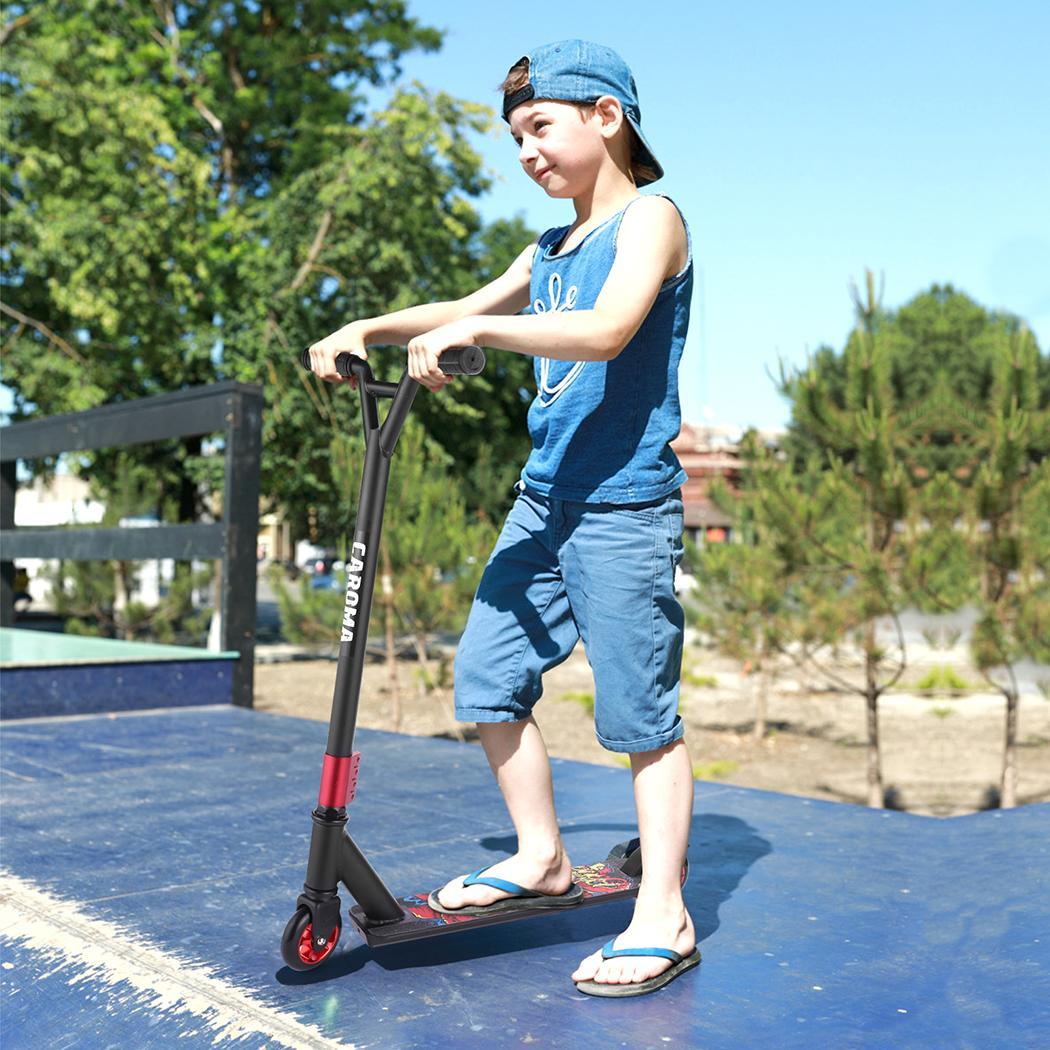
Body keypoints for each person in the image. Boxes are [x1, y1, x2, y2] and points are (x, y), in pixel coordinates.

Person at [306, 38, 698, 998]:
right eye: (516, 136)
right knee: (486, 675)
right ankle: (540, 856)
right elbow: (462, 303)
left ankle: (667, 912)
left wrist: (476, 332)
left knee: (641, 717)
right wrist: (372, 326)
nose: (526, 150)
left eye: (541, 127)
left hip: (622, 506)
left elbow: (605, 331)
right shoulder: (550, 247)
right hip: (544, 501)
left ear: (606, 117)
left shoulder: (653, 222)